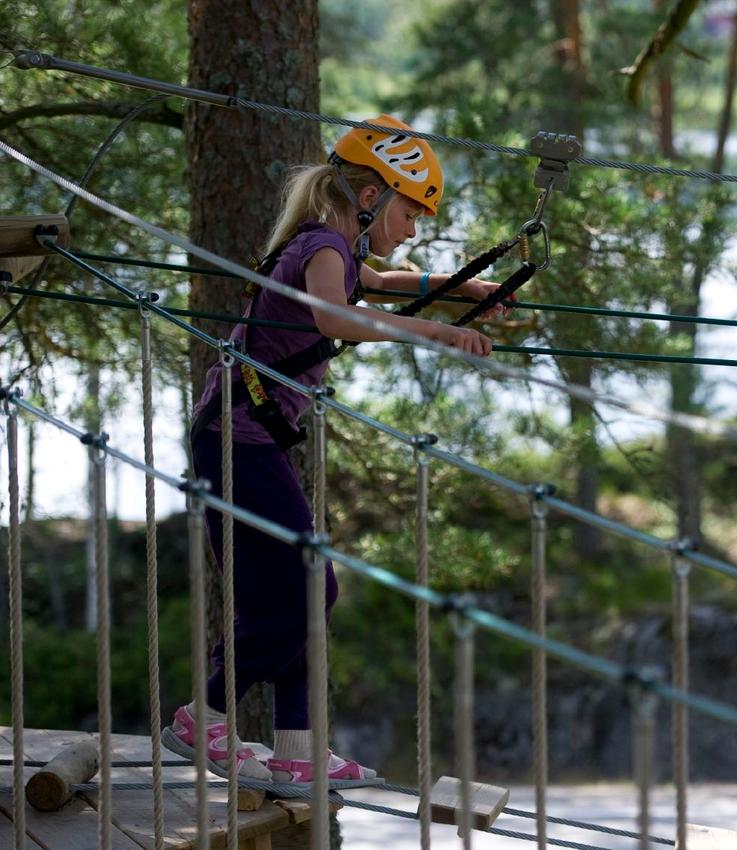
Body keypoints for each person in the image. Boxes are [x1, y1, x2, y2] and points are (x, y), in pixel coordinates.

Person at [165, 115, 503, 788]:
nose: (412, 228)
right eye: (410, 211)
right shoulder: (323, 246)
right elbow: (335, 316)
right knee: (309, 585)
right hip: (236, 435)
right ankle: (201, 715)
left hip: (242, 436)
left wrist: (460, 288)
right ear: (371, 195)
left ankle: (296, 750)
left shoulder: (337, 250)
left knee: (299, 594)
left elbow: (382, 282)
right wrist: (432, 334)